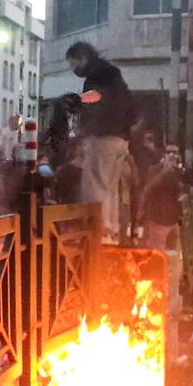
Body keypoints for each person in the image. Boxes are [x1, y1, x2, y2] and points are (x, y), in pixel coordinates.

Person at [65, 41, 134, 240]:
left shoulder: (96, 76)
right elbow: (130, 105)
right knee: (111, 188)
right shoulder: (114, 74)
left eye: (73, 64)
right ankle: (110, 232)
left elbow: (96, 97)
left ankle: (98, 233)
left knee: (95, 185)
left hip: (102, 137)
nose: (73, 69)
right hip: (121, 139)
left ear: (83, 59)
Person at [136, 145, 185, 251]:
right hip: (157, 220)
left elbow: (182, 194)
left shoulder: (179, 173)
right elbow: (147, 189)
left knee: (173, 255)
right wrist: (163, 173)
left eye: (175, 152)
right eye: (169, 152)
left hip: (174, 221)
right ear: (164, 155)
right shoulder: (155, 170)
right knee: (155, 253)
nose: (172, 155)